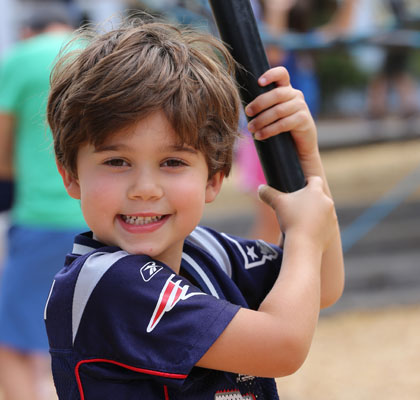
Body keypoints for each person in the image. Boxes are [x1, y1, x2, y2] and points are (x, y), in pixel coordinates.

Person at [44, 16, 344, 399]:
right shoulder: (106, 284)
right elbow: (283, 346)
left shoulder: (206, 252)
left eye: (173, 162)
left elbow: (321, 287)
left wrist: (307, 161)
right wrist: (302, 232)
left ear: (214, 177)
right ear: (71, 175)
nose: (145, 189)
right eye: (117, 162)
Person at [0, 5, 86, 400]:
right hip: (104, 214)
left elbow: (2, 147)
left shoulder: (19, 58)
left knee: (11, 340)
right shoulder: (99, 51)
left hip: (40, 216)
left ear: (28, 32)